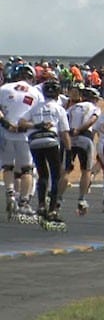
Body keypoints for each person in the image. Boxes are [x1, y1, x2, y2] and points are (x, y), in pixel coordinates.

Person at [19, 79, 70, 227]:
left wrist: (36, 125)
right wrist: (69, 151)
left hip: (35, 141)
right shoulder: (59, 108)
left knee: (42, 174)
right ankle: (53, 210)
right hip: (51, 141)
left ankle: (41, 205)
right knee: (56, 176)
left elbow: (21, 123)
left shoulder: (35, 107)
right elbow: (65, 133)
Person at [0, 64, 43, 220]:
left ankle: (10, 194)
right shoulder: (36, 92)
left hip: (6, 133)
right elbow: (39, 115)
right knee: (26, 170)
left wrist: (6, 123)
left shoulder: (5, 88)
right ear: (31, 77)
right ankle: (24, 202)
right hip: (25, 135)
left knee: (8, 166)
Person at [65, 86, 101, 215]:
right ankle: (81, 199)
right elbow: (92, 120)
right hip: (85, 137)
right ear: (94, 98)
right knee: (86, 171)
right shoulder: (94, 108)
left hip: (70, 138)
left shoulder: (72, 108)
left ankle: (56, 198)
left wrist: (72, 132)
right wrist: (80, 130)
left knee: (65, 169)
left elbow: (64, 121)